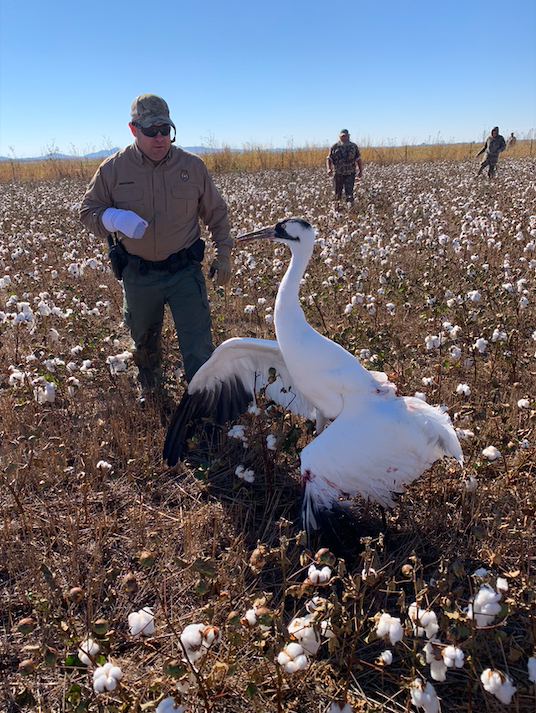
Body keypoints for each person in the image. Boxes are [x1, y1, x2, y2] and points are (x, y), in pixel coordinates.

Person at [80, 93, 232, 403]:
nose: (160, 137)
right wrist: (113, 217)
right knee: (144, 343)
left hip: (184, 272)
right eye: (151, 130)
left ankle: (201, 403)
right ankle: (152, 392)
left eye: (166, 129)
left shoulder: (192, 166)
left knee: (198, 344)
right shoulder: (113, 169)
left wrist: (224, 255)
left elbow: (217, 213)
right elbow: (88, 212)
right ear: (133, 129)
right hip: (140, 274)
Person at [326, 129, 362, 203]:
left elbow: (358, 159)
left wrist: (360, 170)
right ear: (339, 137)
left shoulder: (353, 146)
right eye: (342, 136)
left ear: (348, 136)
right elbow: (329, 159)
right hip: (338, 173)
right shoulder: (334, 147)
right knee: (337, 194)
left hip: (350, 173)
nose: (344, 138)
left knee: (349, 193)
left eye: (345, 136)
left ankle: (349, 210)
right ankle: (336, 211)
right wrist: (328, 169)